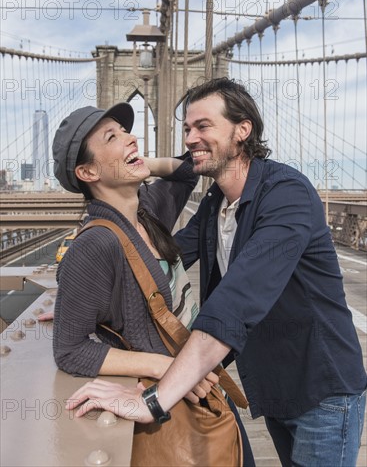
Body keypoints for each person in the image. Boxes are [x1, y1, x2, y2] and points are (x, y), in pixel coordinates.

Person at [67, 78, 366, 467]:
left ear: (243, 130)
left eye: (203, 126)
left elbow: (235, 302)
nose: (190, 138)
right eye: (187, 128)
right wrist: (81, 295)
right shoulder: (217, 202)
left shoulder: (286, 194)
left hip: (321, 389)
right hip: (272, 385)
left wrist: (154, 401)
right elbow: (161, 256)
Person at [51, 100, 255, 466]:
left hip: (199, 382)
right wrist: (165, 368)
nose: (131, 138)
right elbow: (70, 349)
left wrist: (142, 164)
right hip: (169, 405)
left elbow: (187, 172)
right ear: (87, 171)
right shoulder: (96, 244)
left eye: (126, 130)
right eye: (112, 137)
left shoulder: (147, 208)